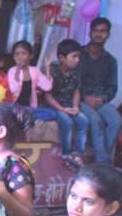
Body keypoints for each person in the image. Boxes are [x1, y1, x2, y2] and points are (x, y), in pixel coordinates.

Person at [34, 38, 89, 169]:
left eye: (78, 57)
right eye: (74, 56)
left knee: (83, 120)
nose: (77, 60)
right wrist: (63, 110)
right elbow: (48, 96)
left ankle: (77, 154)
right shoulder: (51, 70)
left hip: (69, 105)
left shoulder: (76, 72)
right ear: (61, 58)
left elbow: (76, 91)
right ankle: (65, 154)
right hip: (52, 106)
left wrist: (75, 107)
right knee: (67, 121)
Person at [78, 17, 122, 165]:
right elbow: (71, 81)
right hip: (79, 98)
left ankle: (99, 160)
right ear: (90, 33)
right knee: (95, 120)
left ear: (108, 34)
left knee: (116, 121)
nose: (99, 34)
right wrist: (85, 98)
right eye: (96, 31)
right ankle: (104, 163)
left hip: (101, 100)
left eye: (103, 31)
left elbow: (112, 88)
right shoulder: (78, 55)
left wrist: (102, 100)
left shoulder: (110, 61)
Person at [7, 39, 51, 111]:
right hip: (14, 106)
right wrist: (18, 69)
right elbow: (13, 89)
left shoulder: (35, 70)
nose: (20, 56)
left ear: (30, 56)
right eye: (17, 54)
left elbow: (47, 87)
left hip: (30, 107)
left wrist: (48, 68)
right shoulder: (12, 70)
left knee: (51, 114)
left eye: (23, 53)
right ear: (14, 57)